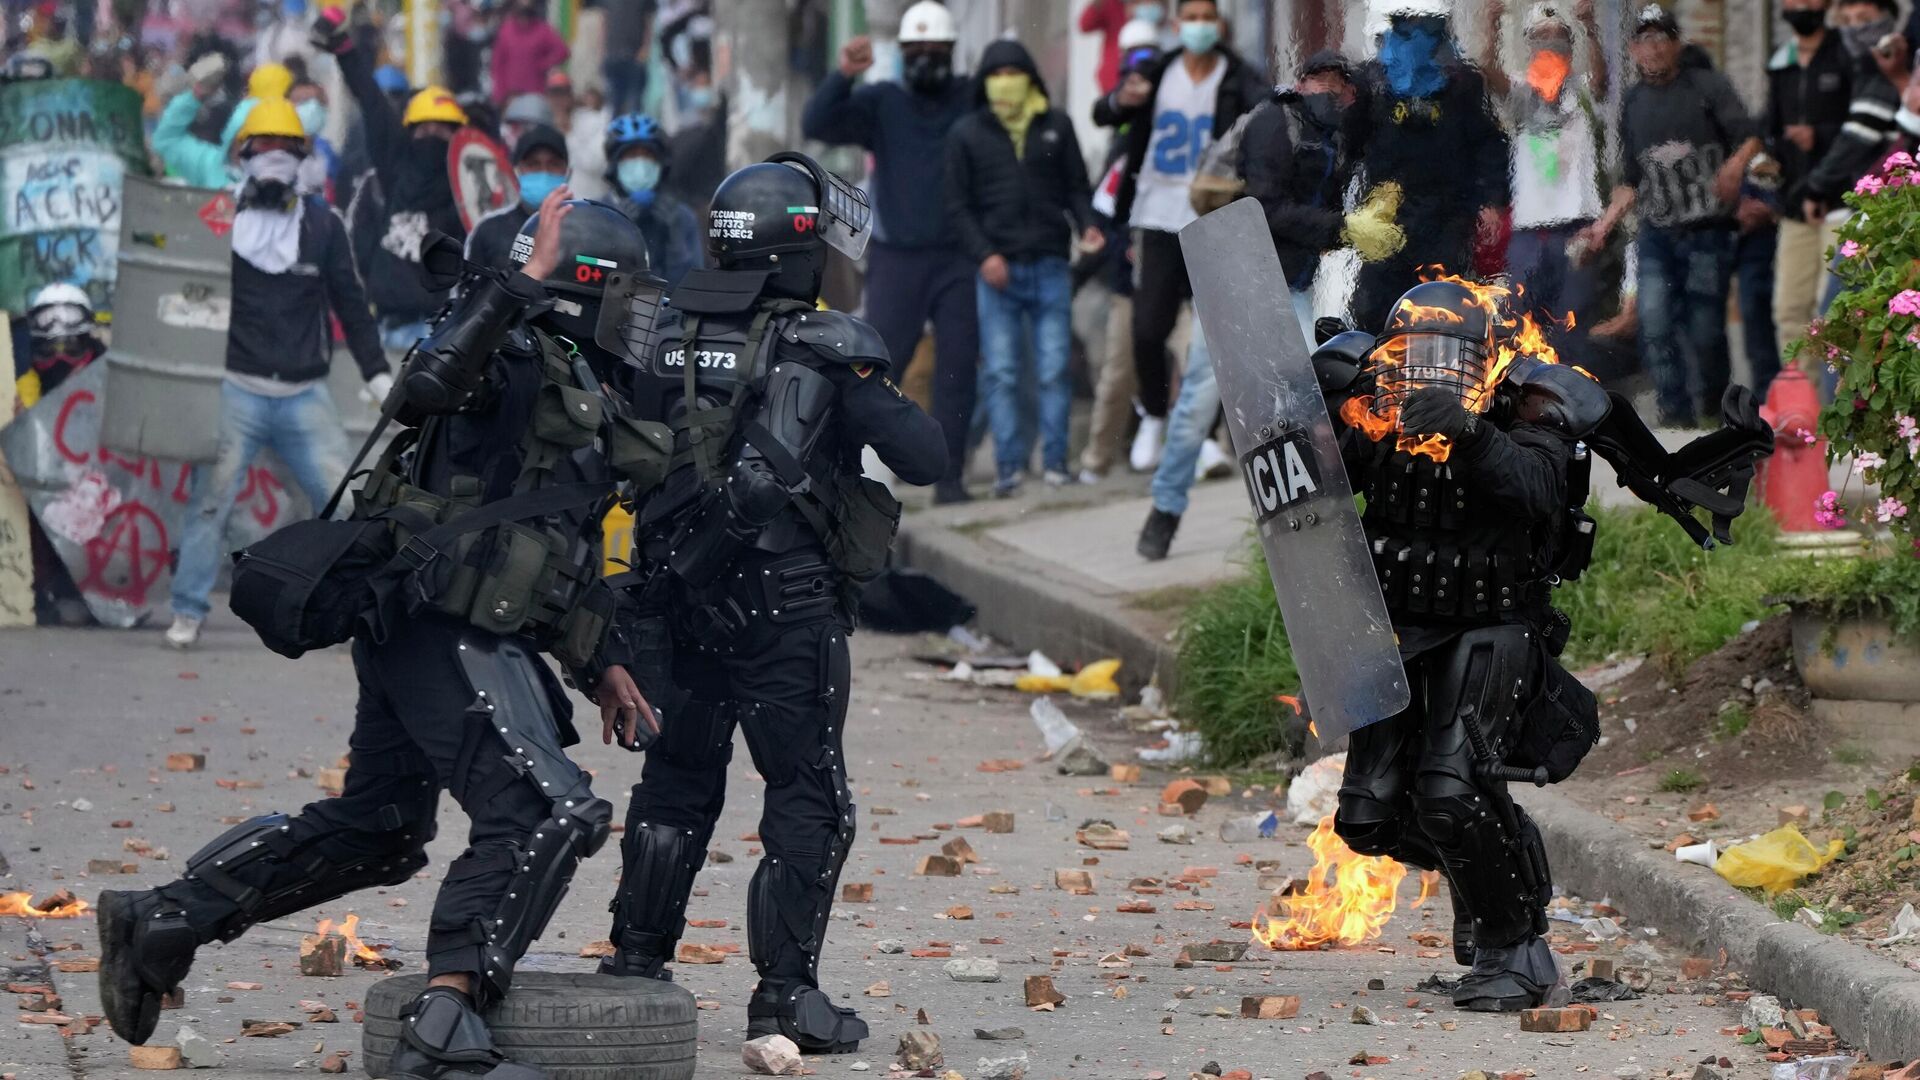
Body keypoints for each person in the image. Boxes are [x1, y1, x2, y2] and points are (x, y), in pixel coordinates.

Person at [103, 188, 650, 1080]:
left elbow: (566, 549)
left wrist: (606, 664)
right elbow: (423, 385)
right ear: (580, 284)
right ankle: (442, 1026)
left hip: (456, 632)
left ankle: (164, 918)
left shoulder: (582, 381)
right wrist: (521, 281)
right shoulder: (502, 344)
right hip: (438, 626)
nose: (639, 310)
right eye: (623, 289)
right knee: (543, 811)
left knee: (382, 828)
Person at [598, 153, 946, 1056]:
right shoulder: (823, 345)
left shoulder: (654, 334)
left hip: (676, 597)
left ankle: (635, 968)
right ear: (799, 252)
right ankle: (784, 998)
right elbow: (926, 455)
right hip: (785, 610)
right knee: (808, 798)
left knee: (674, 786)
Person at [164, 98, 393, 650]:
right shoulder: (219, 217)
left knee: (345, 502)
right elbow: (179, 281)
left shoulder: (322, 224)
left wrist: (378, 373)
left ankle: (359, 613)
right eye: (261, 147)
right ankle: (187, 610)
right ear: (242, 155)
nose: (273, 158)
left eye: (285, 148)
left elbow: (350, 304)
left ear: (302, 157)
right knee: (210, 503)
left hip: (302, 393)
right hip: (235, 387)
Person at [1139, 50, 1362, 559]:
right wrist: (1339, 229)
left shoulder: (1336, 135)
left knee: (1307, 396)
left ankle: (1307, 518)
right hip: (1235, 281)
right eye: (1324, 81)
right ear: (1304, 82)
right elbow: (1264, 207)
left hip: (1291, 281)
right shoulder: (1272, 122)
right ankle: (1164, 511)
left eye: (1341, 84)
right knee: (1200, 401)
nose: (1334, 92)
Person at [802, 1, 977, 503]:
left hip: (957, 257)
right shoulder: (883, 101)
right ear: (901, 54)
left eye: (935, 49)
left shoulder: (969, 98)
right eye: (915, 49)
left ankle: (951, 479)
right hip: (897, 256)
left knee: (958, 368)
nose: (926, 57)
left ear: (951, 52)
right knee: (873, 363)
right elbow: (819, 121)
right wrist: (843, 75)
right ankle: (841, 470)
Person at [1094, 0, 1267, 472]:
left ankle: (1206, 436)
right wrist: (1119, 101)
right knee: (1148, 328)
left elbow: (1268, 121)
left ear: (1219, 25)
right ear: (1176, 25)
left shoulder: (1239, 77)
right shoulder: (1156, 72)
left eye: (1205, 17)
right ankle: (1153, 413)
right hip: (1155, 215)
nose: (1197, 26)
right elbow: (1102, 113)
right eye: (1189, 18)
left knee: (1211, 333)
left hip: (1211, 217)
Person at [1578, 4, 1761, 426]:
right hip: (1656, 234)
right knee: (1654, 323)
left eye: (1660, 38)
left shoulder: (1707, 88)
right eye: (1643, 39)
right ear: (1632, 48)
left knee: (1704, 329)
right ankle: (1674, 415)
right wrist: (1604, 225)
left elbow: (1751, 137)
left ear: (1676, 44)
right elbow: (1629, 180)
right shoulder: (1634, 103)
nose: (1652, 48)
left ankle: (1713, 407)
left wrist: (1734, 168)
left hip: (1708, 229)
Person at [947, 39, 1104, 496]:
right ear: (985, 82)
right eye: (996, 73)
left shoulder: (1056, 125)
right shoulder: (967, 134)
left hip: (1051, 265)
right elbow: (957, 207)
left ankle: (1055, 464)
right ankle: (1008, 470)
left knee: (1054, 369)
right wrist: (986, 255)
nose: (1006, 81)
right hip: (997, 273)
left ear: (1030, 78)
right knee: (1001, 372)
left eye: (1015, 72)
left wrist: (1087, 226)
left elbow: (1077, 187)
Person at [313, 7, 471, 352]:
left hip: (441, 332)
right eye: (424, 128)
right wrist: (343, 47)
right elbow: (372, 102)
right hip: (386, 326)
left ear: (458, 138)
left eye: (442, 130)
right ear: (409, 132)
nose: (432, 135)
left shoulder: (466, 184)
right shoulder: (396, 166)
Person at [1346, 0, 1510, 329]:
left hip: (1447, 215)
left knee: (1441, 310)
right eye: (1408, 24)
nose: (1417, 33)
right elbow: (1350, 146)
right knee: (1376, 312)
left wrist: (1493, 200)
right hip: (1388, 216)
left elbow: (1489, 142)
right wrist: (1349, 209)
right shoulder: (1370, 82)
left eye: (1426, 24)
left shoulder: (1462, 81)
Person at [1480, 1, 1608, 359]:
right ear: (1529, 43)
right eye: (1540, 36)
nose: (1549, 44)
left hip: (1576, 228)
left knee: (1571, 324)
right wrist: (1491, 27)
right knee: (1521, 324)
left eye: (1557, 36)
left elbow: (1601, 81)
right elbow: (1490, 74)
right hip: (1529, 231)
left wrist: (1590, 28)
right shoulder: (1521, 93)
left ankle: (1571, 403)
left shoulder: (1581, 91)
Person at [1766, 0, 1852, 367]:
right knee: (1789, 309)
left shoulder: (1847, 53)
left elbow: (1866, 129)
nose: (1799, 5)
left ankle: (1837, 410)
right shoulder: (1781, 60)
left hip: (1842, 203)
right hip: (1795, 204)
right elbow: (1770, 126)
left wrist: (1819, 136)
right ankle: (1802, 407)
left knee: (1834, 311)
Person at [603, 112, 702, 284]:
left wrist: (675, 242)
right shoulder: (597, 213)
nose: (640, 165)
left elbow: (696, 288)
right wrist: (618, 234)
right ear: (614, 166)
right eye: (631, 156)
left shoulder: (683, 217)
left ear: (662, 164)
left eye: (647, 155)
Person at [465, 123, 568, 270]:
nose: (544, 172)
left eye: (553, 164)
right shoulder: (489, 230)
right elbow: (467, 290)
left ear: (567, 171)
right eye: (533, 164)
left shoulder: (585, 230)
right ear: (517, 171)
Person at [15, 284, 103, 410]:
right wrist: (21, 420)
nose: (60, 356)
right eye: (49, 349)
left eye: (71, 348)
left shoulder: (107, 371)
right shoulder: (27, 379)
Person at [1079, 0, 1173, 94]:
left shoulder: (1172, 33)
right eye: (1139, 2)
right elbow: (1085, 25)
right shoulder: (1114, 10)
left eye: (1152, 2)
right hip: (1116, 86)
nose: (1147, 6)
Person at [490, 0, 570, 105]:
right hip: (511, 95)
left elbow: (562, 51)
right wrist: (499, 94)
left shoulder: (542, 30)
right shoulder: (506, 30)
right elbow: (497, 64)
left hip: (535, 93)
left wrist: (543, 64)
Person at [603, 0, 656, 115]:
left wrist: (645, 49)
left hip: (634, 56)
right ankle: (615, 132)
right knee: (614, 103)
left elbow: (649, 22)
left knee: (634, 103)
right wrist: (603, 50)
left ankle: (634, 132)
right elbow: (605, 21)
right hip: (613, 56)